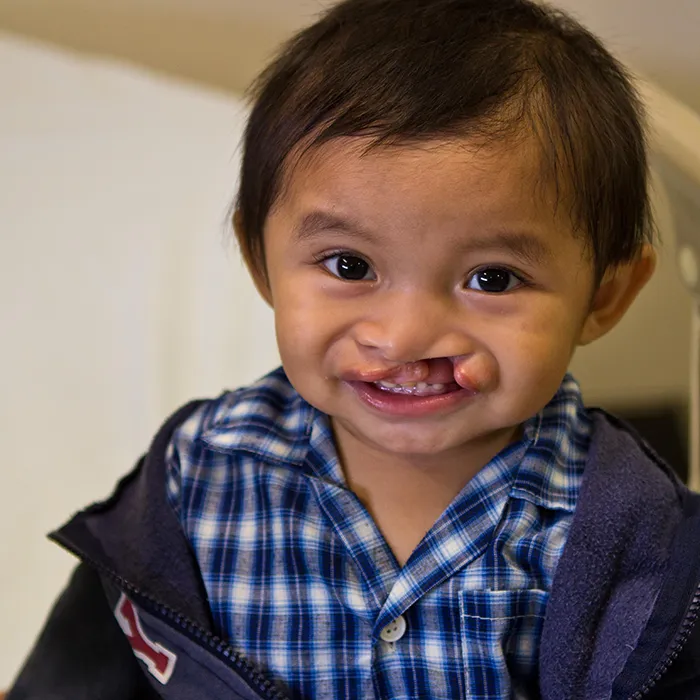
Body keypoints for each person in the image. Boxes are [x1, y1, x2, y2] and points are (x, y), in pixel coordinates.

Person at [7, 0, 700, 698]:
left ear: (606, 296)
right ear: (261, 261)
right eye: (349, 266)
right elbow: (89, 667)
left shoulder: (631, 536)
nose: (403, 337)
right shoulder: (199, 478)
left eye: (491, 279)